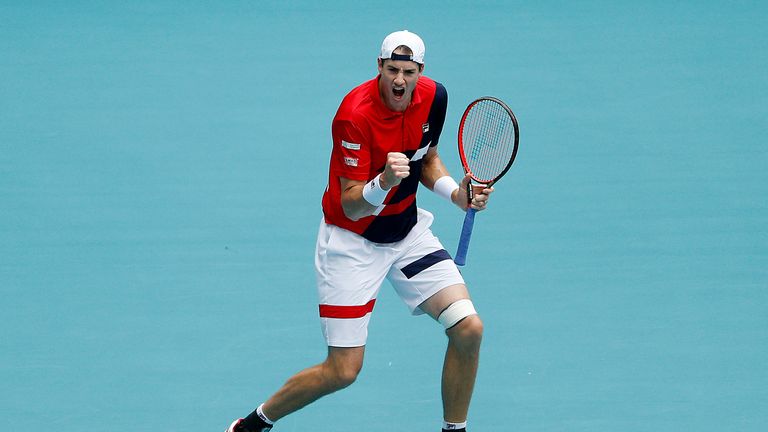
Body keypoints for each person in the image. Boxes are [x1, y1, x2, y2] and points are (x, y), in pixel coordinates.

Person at [225, 30, 493, 432]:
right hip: (352, 244)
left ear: (421, 71)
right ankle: (252, 424)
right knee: (343, 370)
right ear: (379, 68)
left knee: (468, 328)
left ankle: (454, 430)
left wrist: (455, 193)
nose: (399, 81)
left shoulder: (435, 97)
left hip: (406, 234)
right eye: (391, 71)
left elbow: (427, 158)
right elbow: (352, 204)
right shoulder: (354, 115)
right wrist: (383, 181)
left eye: (408, 72)